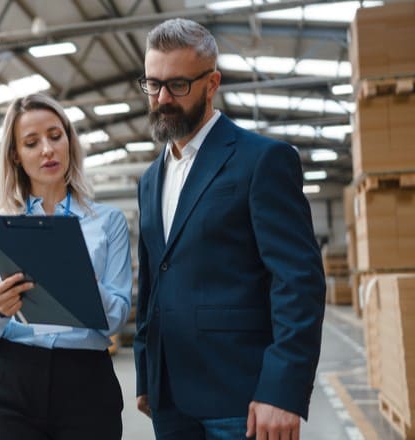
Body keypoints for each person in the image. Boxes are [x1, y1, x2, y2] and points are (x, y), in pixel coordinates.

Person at [132, 18, 326, 440]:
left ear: (212, 82)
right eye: (152, 84)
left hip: (244, 399)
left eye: (177, 85)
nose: (162, 98)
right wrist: (147, 372)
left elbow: (298, 281)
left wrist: (283, 390)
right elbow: (152, 282)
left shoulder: (262, 160)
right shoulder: (150, 179)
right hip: (170, 400)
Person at [0, 93, 132, 440]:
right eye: (31, 142)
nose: (47, 149)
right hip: (10, 381)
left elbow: (116, 319)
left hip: (86, 384)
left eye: (55, 136)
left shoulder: (107, 222)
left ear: (69, 140)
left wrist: (79, 281)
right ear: (16, 154)